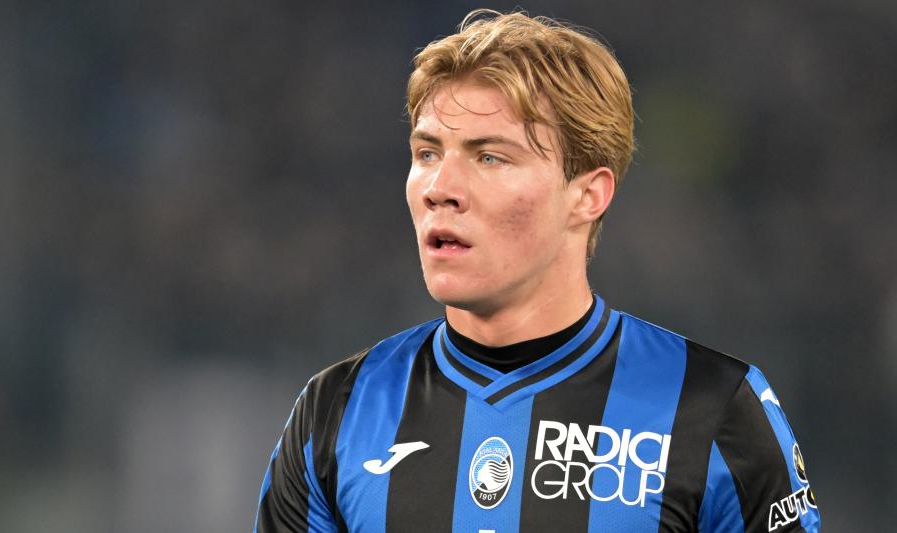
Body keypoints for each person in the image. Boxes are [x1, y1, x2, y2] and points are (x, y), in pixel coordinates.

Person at [254, 9, 820, 533]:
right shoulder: (338, 410)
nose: (439, 189)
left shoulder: (714, 409)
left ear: (587, 195)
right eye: (427, 153)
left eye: (489, 157)